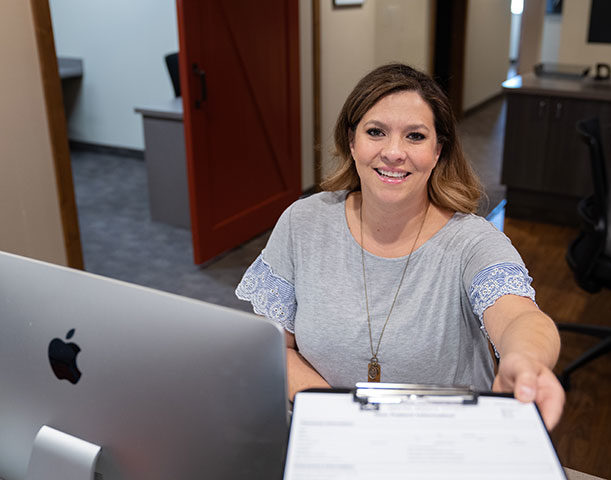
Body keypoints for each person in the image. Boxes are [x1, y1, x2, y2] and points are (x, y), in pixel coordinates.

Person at [236, 63, 565, 429]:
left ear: (438, 150)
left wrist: (528, 360)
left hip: (436, 443)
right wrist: (339, 415)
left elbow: (520, 317)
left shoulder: (473, 243)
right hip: (325, 433)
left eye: (415, 136)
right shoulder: (304, 222)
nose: (394, 153)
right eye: (375, 132)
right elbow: (276, 346)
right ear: (352, 141)